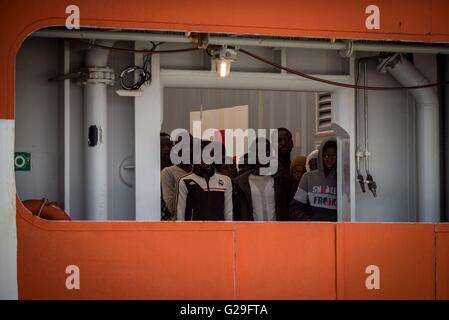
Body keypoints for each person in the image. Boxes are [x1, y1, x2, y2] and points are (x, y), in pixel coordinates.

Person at [233, 138, 293, 221]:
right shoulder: (241, 183)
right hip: (250, 231)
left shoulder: (281, 180)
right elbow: (237, 212)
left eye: (267, 151)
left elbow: (289, 209)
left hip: (277, 231)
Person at [176, 140, 233, 221]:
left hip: (218, 231)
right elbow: (180, 214)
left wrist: (228, 231)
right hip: (194, 231)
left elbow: (228, 213)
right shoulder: (185, 181)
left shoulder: (226, 180)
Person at [290, 137, 337, 221]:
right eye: (326, 156)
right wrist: (308, 221)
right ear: (321, 156)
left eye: (334, 155)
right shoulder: (308, 178)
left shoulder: (342, 179)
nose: (330, 159)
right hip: (313, 230)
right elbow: (295, 209)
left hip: (336, 230)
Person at [161, 136, 193, 220]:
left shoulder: (199, 171)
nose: (187, 149)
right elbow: (172, 206)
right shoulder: (168, 172)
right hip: (178, 222)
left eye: (190, 145)